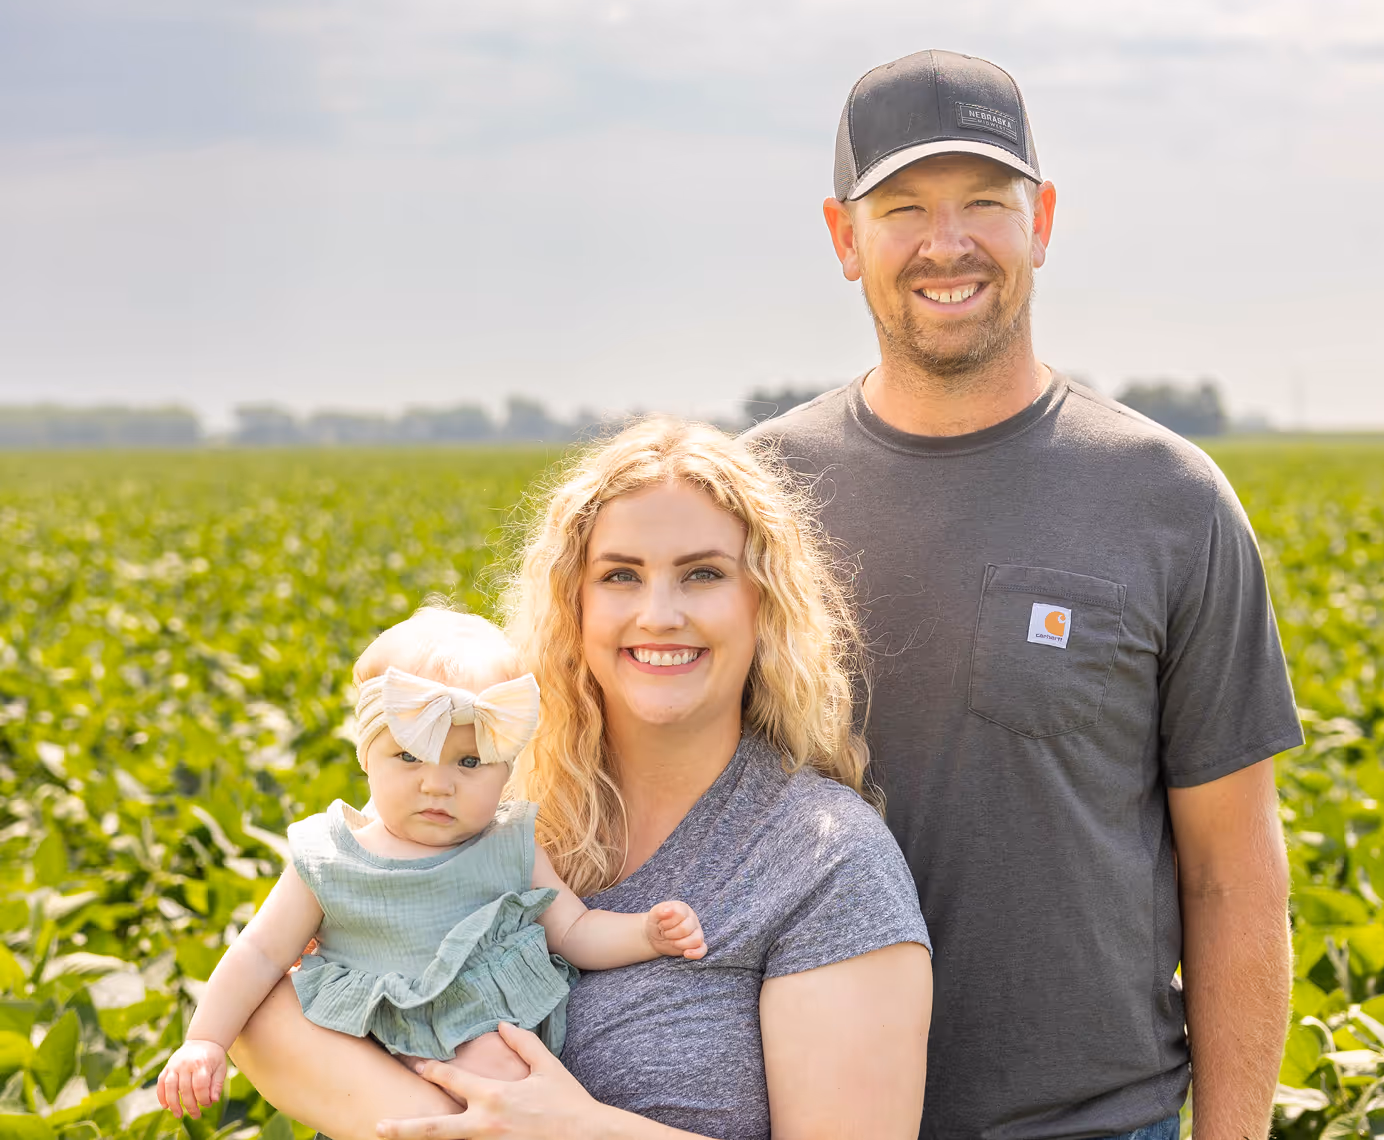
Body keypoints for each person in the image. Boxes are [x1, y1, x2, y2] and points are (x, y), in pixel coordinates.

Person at [746, 49, 1302, 1140]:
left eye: (983, 205)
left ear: (1040, 221)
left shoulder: (1168, 501)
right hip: (806, 1115)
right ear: (841, 238)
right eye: (901, 207)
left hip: (1095, 1121)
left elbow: (1233, 875)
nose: (944, 244)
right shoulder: (757, 495)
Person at [230, 419, 933, 1140]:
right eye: (620, 575)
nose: (659, 615)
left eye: (704, 573)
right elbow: (260, 1012)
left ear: (765, 603)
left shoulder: (827, 862)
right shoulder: (476, 803)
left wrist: (571, 1130)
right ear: (576, 604)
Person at [159, 607, 708, 1121]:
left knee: (505, 1077)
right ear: (365, 757)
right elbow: (258, 952)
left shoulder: (509, 846)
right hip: (360, 1056)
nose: (437, 784)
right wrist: (204, 1039)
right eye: (408, 757)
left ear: (506, 768)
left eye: (469, 762)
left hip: (479, 1044)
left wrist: (645, 934)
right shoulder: (330, 858)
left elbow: (574, 928)